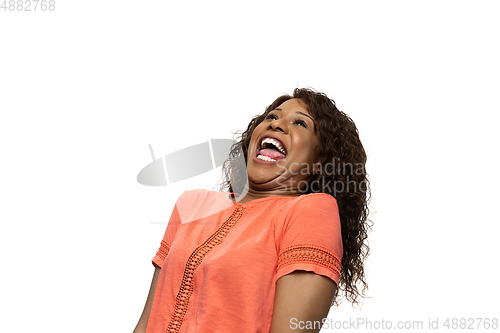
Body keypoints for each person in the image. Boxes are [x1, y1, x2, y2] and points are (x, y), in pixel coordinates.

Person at [133, 88, 371, 333]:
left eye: (300, 123)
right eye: (271, 117)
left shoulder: (311, 211)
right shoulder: (191, 204)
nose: (277, 125)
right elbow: (145, 324)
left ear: (320, 161)